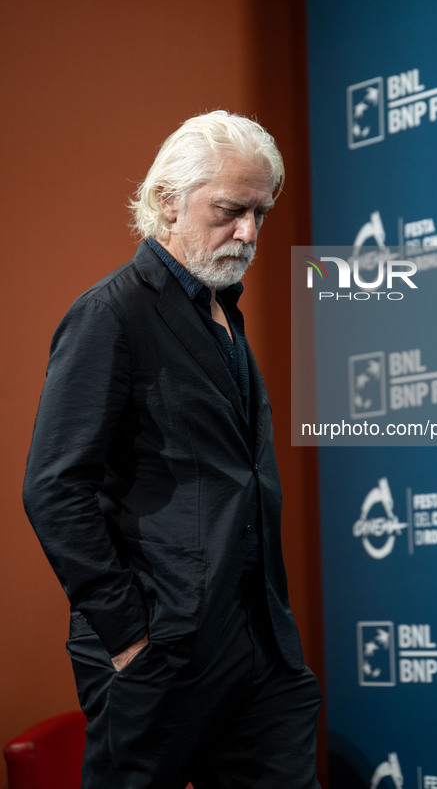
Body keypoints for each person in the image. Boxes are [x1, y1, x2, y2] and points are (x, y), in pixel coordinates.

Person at [23, 111, 322, 789]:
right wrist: (129, 633)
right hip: (162, 647)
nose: (247, 232)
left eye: (259, 212)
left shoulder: (222, 313)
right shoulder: (111, 313)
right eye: (228, 210)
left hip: (259, 646)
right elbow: (53, 486)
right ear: (167, 201)